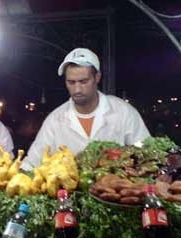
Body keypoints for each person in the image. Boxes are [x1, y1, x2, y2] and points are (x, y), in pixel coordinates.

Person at [21, 48, 150, 170]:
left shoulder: (123, 112)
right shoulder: (55, 120)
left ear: (97, 77)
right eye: (71, 82)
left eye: (83, 81)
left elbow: (147, 152)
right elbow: (32, 163)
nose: (77, 89)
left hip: (118, 190)